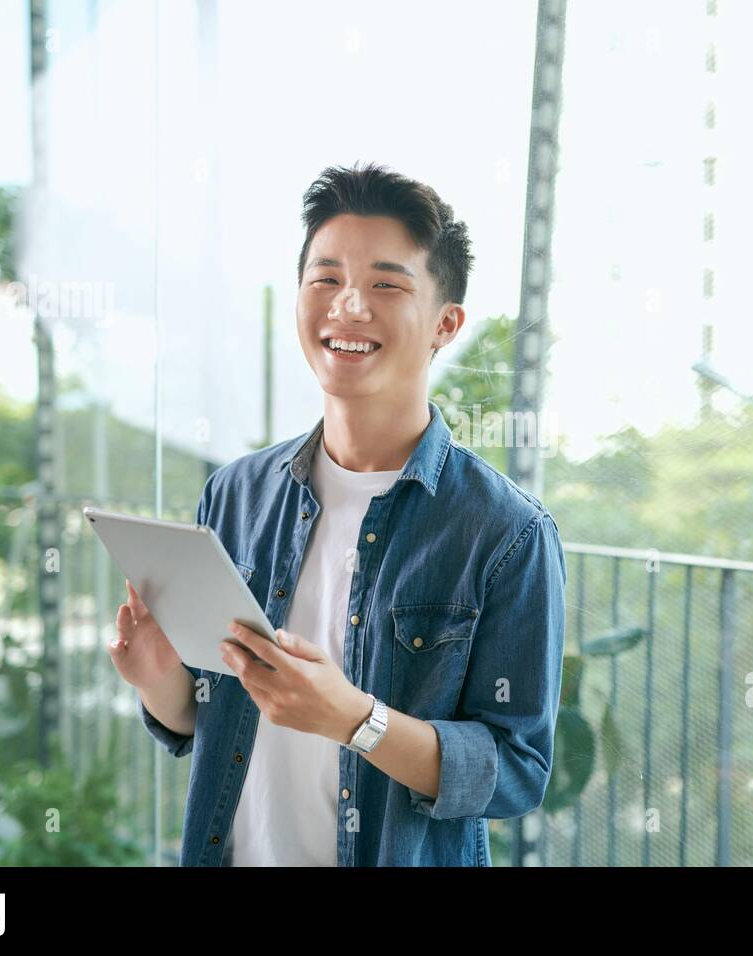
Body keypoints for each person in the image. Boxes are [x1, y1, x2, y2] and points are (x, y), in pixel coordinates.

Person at [106, 161, 567, 866]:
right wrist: (159, 680)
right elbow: (212, 721)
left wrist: (357, 720)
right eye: (325, 279)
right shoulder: (236, 494)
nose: (348, 306)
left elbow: (516, 770)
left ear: (447, 324)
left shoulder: (506, 534)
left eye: (385, 284)